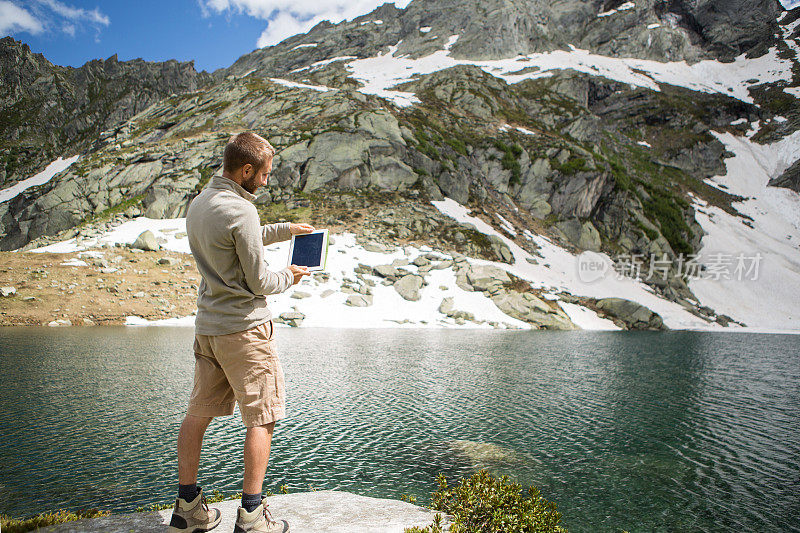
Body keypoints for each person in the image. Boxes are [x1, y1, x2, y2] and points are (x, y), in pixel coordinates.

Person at [168, 131, 312, 533]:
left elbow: (235, 239)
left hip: (209, 329)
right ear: (246, 170)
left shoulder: (200, 203)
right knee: (262, 418)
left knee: (198, 412)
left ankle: (187, 509)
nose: (266, 181)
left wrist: (286, 230)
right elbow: (259, 279)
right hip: (244, 332)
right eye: (263, 175)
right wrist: (290, 276)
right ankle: (251, 516)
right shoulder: (242, 211)